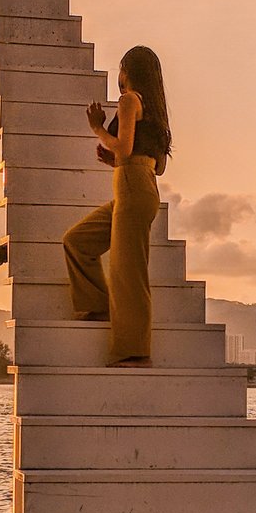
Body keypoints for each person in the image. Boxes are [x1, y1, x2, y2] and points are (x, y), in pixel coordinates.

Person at [61, 46, 171, 365]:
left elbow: (123, 148)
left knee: (127, 273)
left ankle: (133, 351)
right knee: (77, 241)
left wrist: (98, 129)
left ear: (127, 71)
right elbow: (158, 165)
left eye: (120, 70)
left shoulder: (129, 100)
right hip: (141, 185)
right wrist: (119, 163)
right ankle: (96, 305)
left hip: (132, 187)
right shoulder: (155, 110)